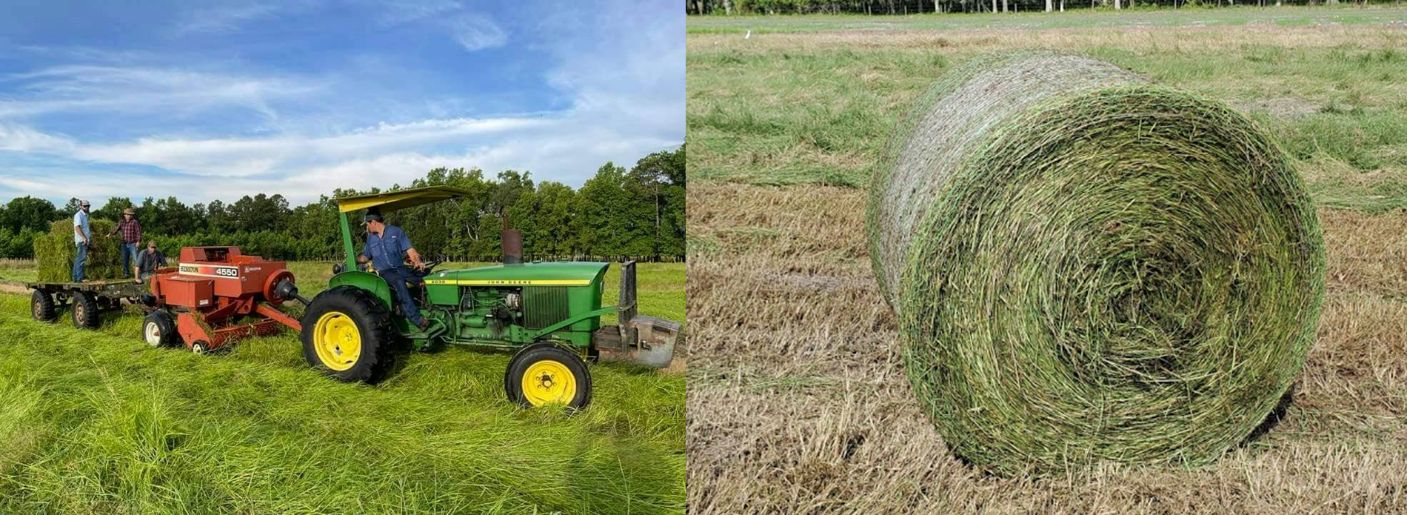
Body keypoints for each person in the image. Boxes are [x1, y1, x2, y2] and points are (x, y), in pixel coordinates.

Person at [358, 209, 429, 330]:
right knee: (399, 282)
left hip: (400, 268)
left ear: (373, 222)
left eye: (367, 224)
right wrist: (358, 258)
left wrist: (418, 262)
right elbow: (366, 256)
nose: (367, 227)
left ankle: (430, 308)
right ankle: (417, 319)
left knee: (423, 278)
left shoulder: (396, 232)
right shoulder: (371, 239)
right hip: (385, 272)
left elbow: (410, 250)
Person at [108, 207, 141, 278]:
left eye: (130, 215)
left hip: (133, 244)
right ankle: (126, 274)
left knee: (136, 259)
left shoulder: (134, 222)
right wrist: (110, 234)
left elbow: (138, 232)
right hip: (124, 244)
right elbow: (116, 229)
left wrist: (138, 241)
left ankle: (138, 274)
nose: (129, 216)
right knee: (125, 259)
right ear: (124, 215)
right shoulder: (121, 222)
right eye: (127, 214)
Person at [72, 200, 91, 282]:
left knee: (78, 259)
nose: (86, 207)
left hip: (84, 240)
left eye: (88, 206)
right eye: (84, 206)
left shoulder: (85, 216)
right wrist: (84, 238)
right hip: (81, 240)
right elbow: (77, 227)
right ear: (80, 206)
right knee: (81, 259)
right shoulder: (78, 215)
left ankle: (75, 278)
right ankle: (80, 278)